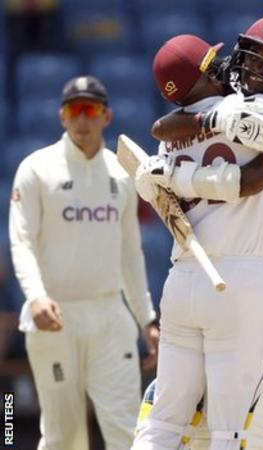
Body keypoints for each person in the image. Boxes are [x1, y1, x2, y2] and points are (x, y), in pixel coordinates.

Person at [134, 21, 263, 449]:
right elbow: (252, 178)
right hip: (243, 276)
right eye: (254, 54)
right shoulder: (257, 119)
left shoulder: (189, 129)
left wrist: (171, 178)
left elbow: (163, 128)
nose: (256, 67)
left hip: (195, 276)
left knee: (169, 419)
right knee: (239, 424)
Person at [8, 75, 159, 449]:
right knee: (64, 437)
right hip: (55, 318)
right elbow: (21, 239)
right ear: (62, 116)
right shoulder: (36, 169)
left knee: (128, 430)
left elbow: (130, 253)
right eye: (75, 110)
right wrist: (36, 296)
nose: (82, 119)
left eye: (90, 110)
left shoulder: (122, 174)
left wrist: (147, 319)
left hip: (110, 317)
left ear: (106, 116)